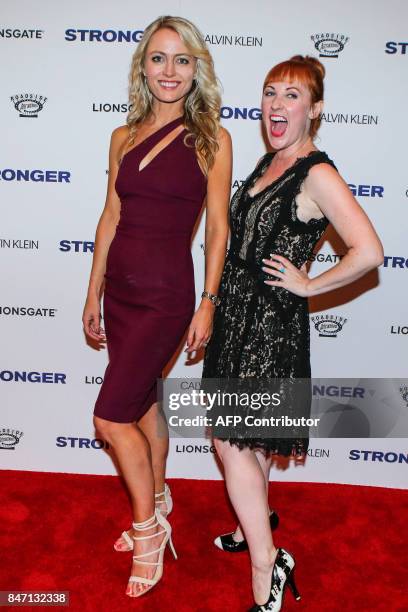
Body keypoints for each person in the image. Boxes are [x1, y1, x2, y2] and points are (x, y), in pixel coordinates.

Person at [202, 55, 383, 611]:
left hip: (268, 329)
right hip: (236, 318)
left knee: (231, 440)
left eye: (292, 96)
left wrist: (310, 285)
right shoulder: (269, 162)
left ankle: (267, 566)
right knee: (244, 439)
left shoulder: (316, 173)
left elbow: (370, 252)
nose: (277, 105)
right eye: (270, 93)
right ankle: (252, 526)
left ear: (315, 110)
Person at [82, 15, 231, 598]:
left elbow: (217, 229)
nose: (169, 71)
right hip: (120, 289)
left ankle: (148, 531)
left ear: (198, 69)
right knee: (141, 405)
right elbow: (111, 216)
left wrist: (208, 303)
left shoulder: (212, 139)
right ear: (143, 65)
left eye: (182, 60)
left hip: (168, 295)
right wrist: (93, 288)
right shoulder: (122, 135)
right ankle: (161, 496)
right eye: (159, 58)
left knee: (109, 417)